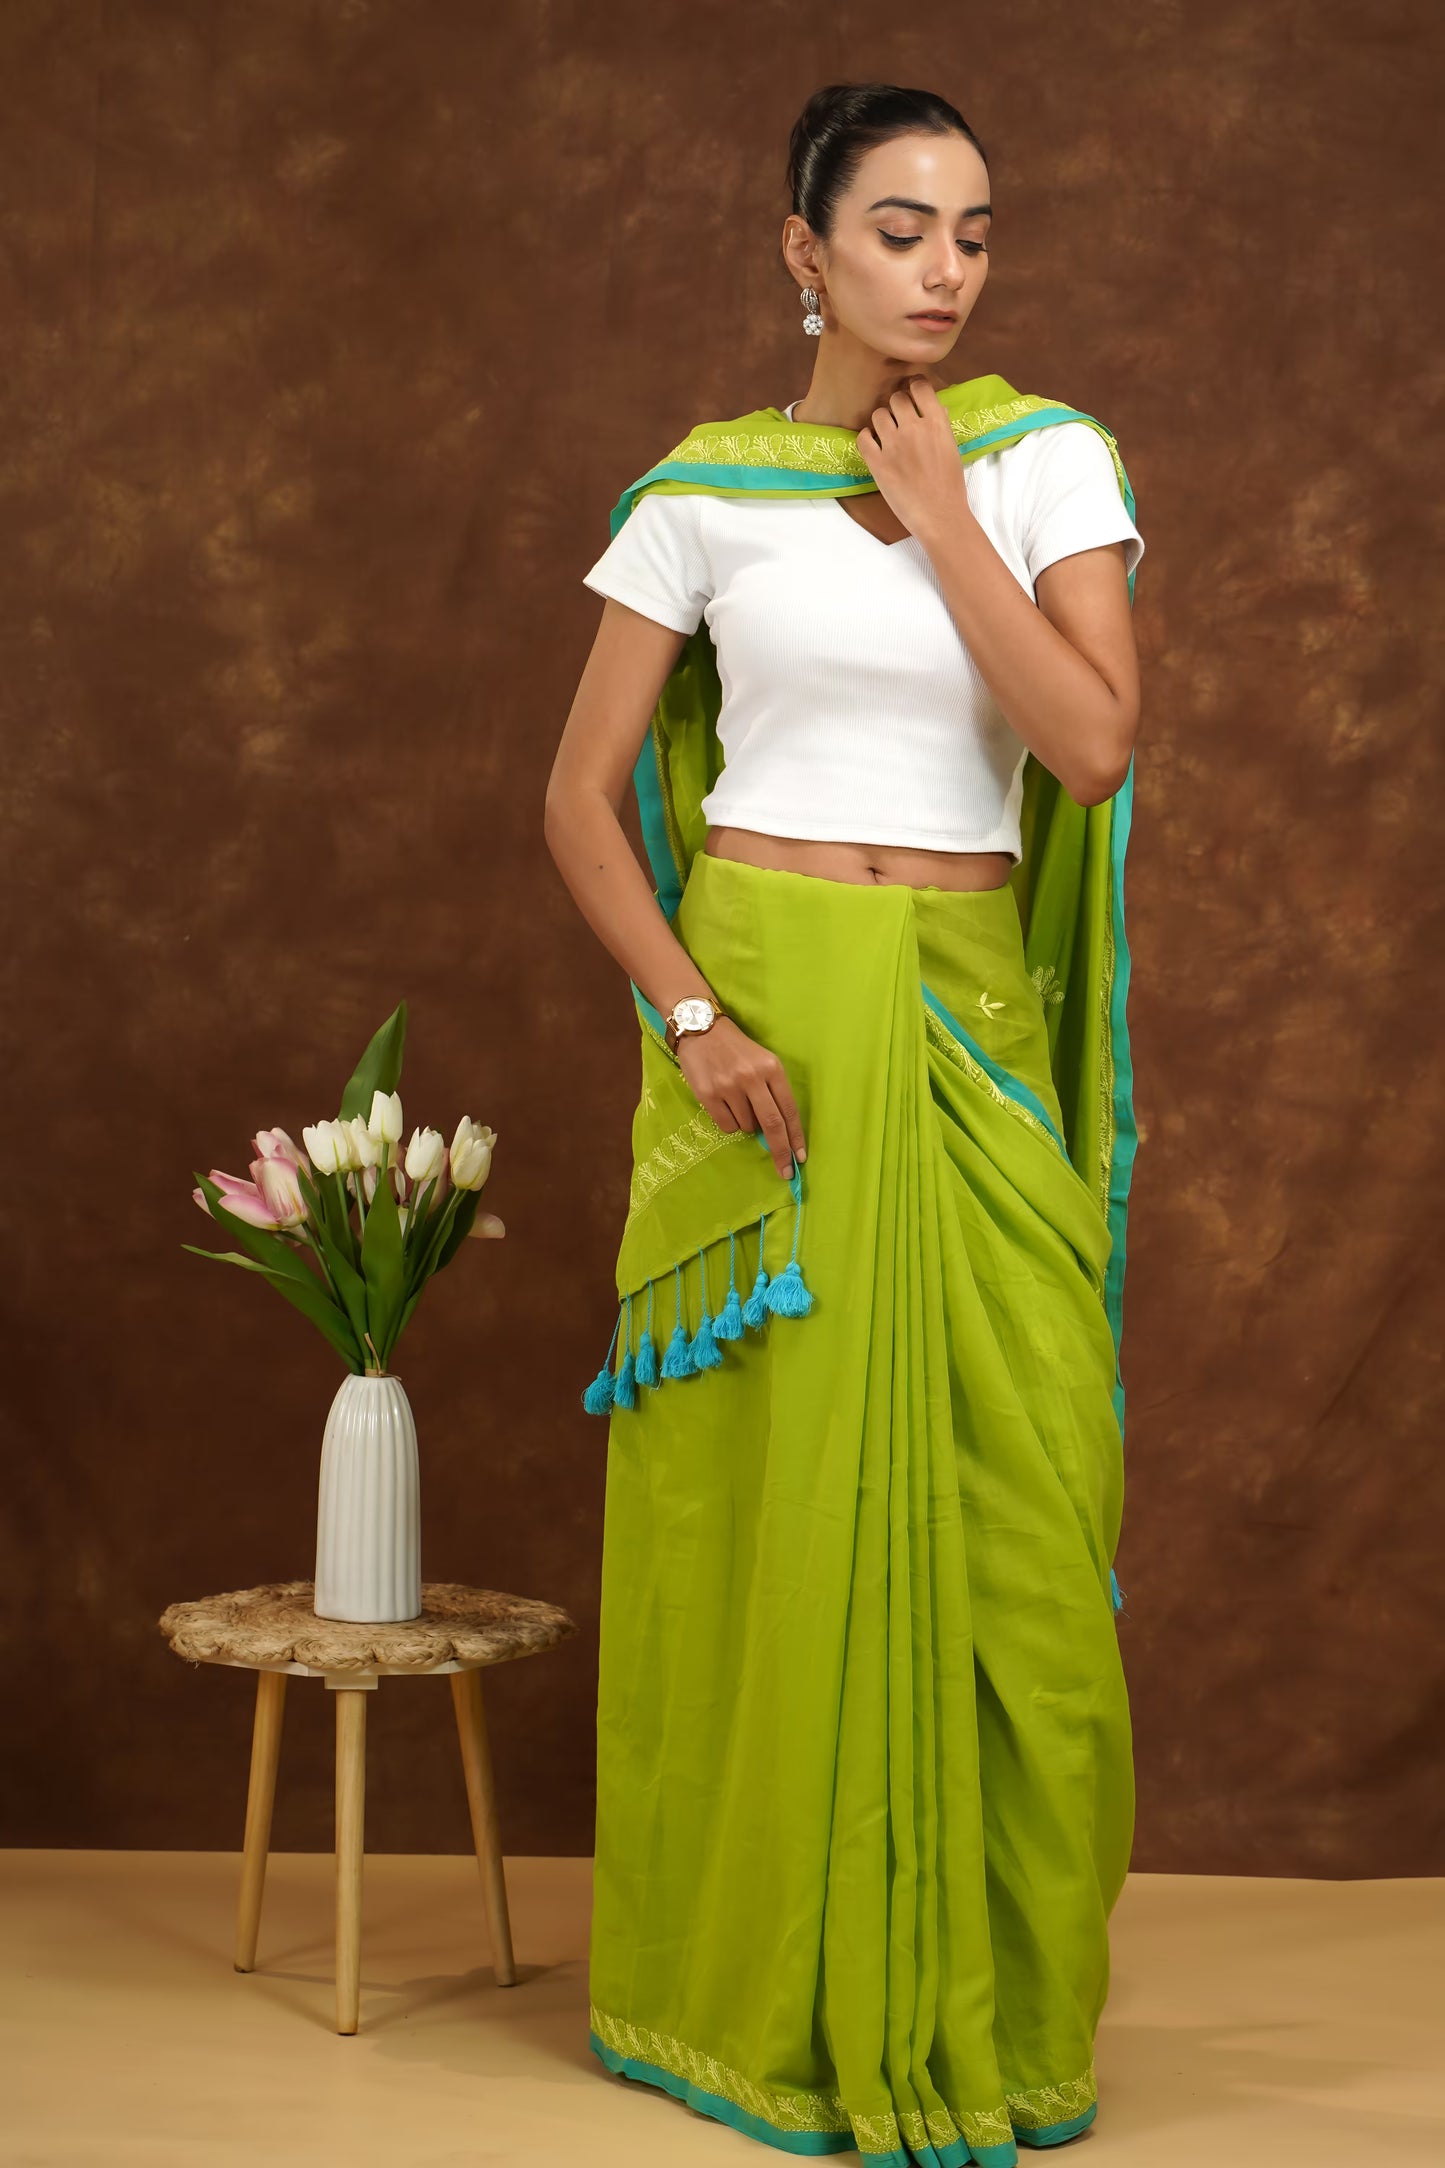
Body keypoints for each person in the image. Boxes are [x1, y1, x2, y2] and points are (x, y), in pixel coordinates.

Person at [544, 78, 1146, 2168]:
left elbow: (1089, 743)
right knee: (772, 1519)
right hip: (772, 1037)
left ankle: (981, 2004)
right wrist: (694, 1015)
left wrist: (949, 518)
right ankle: (754, 1998)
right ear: (801, 249)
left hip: (964, 1031)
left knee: (1022, 1532)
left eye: (974, 231)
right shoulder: (701, 498)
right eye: (899, 230)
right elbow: (577, 798)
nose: (945, 270)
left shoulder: (1046, 459)